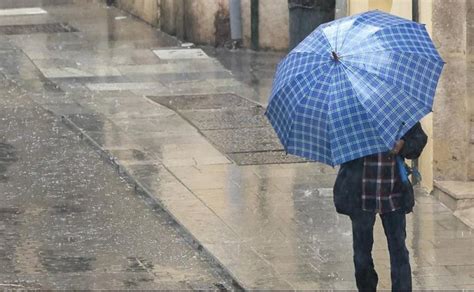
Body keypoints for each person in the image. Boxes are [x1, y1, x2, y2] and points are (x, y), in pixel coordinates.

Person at [333, 122, 428, 291]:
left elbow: (419, 139)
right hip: (360, 195)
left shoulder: (398, 111)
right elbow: (338, 148)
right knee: (361, 256)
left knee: (399, 251)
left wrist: (403, 145)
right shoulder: (350, 114)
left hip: (394, 194)